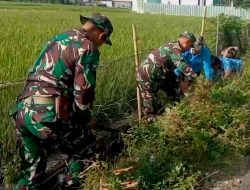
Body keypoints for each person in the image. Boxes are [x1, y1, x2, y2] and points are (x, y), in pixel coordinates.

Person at [9, 13, 113, 190]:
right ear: (102, 35)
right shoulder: (87, 47)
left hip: (22, 112)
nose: (101, 44)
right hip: (47, 113)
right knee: (84, 148)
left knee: (31, 173)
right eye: (103, 41)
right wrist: (86, 121)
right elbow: (84, 93)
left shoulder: (59, 38)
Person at [137, 32, 196, 121]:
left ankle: (175, 110)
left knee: (173, 90)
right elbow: (182, 65)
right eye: (190, 46)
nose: (189, 49)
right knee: (149, 101)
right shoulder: (175, 48)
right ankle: (150, 123)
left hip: (159, 76)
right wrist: (196, 78)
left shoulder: (172, 45)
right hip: (145, 76)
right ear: (187, 42)